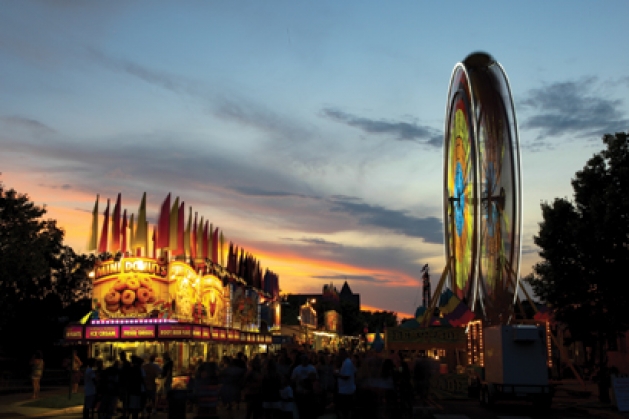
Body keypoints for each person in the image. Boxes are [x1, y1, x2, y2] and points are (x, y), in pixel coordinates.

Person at [290, 355, 317, 419]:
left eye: (305, 360)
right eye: (303, 360)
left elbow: (315, 379)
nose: (304, 361)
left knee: (308, 409)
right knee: (301, 410)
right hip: (300, 392)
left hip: (309, 392)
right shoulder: (297, 369)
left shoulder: (312, 368)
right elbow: (292, 379)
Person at [335, 348, 356, 419]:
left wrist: (338, 375)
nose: (339, 355)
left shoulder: (347, 363)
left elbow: (347, 376)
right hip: (346, 389)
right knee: (346, 408)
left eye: (340, 354)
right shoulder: (346, 362)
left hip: (346, 390)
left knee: (345, 409)